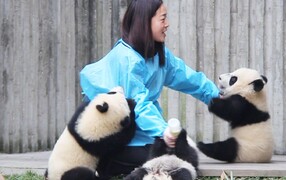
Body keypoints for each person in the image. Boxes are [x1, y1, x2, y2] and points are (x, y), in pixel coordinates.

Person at [80, 0, 220, 177]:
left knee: (175, 152)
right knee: (168, 156)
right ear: (145, 22)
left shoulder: (158, 53)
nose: (167, 24)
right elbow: (139, 105)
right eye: (163, 19)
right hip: (110, 135)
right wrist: (163, 130)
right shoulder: (127, 59)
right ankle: (104, 166)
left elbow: (186, 76)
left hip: (137, 132)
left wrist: (216, 96)